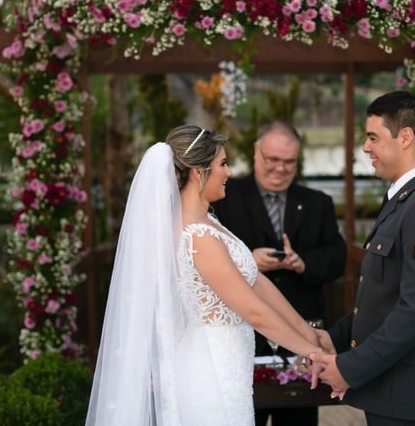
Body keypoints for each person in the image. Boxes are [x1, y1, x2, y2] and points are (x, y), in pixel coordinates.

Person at [86, 125, 325, 426]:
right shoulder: (198, 236)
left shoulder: (208, 222)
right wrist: (313, 353)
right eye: (222, 164)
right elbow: (254, 311)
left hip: (228, 370)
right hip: (211, 375)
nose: (228, 172)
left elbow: (257, 282)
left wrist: (309, 334)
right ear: (199, 172)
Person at [311, 91, 415, 426]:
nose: (366, 147)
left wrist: (349, 369)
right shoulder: (404, 199)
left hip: (413, 402)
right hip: (395, 395)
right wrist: (336, 338)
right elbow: (383, 297)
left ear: (406, 137)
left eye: (373, 137)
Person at [213, 122, 347, 426]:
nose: (279, 168)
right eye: (272, 159)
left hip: (299, 335)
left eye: (288, 162)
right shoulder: (224, 195)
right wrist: (249, 262)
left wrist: (304, 263)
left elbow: (337, 257)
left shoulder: (318, 202)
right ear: (256, 153)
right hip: (243, 336)